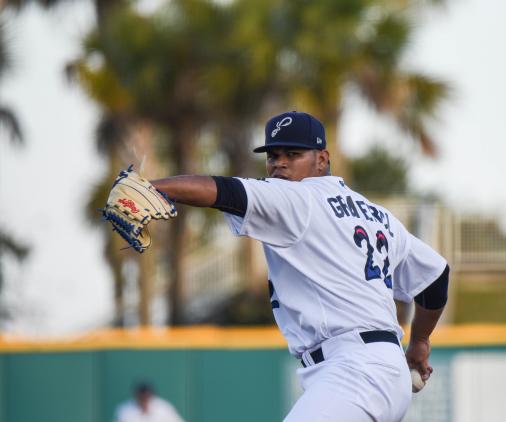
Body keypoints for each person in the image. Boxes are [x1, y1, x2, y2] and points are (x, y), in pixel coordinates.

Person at [151, 111, 449, 421]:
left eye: (293, 154)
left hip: (355, 371)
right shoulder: (378, 215)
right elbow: (435, 278)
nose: (279, 163)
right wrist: (420, 341)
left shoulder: (299, 198)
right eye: (273, 155)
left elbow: (225, 191)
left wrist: (152, 187)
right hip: (378, 372)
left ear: (322, 159)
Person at [114, 382, 184, 422]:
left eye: (146, 397)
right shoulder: (124, 410)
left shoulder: (164, 408)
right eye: (141, 398)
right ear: (136, 397)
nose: (144, 400)